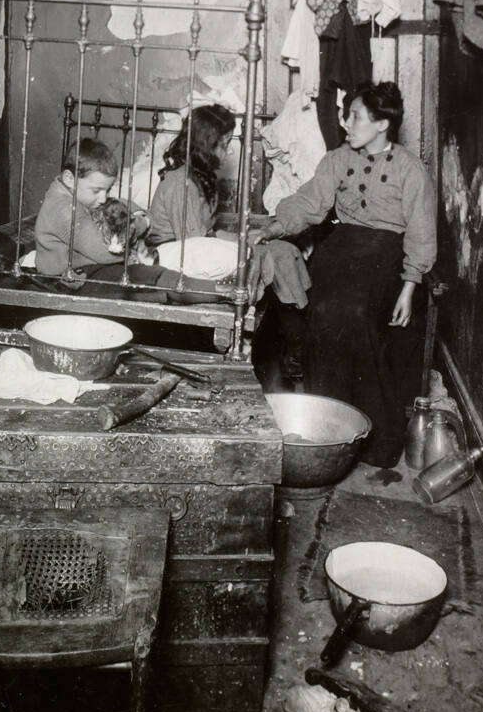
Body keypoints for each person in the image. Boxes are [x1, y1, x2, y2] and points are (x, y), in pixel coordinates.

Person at [255, 81, 436, 470]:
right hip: (341, 248)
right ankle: (325, 431)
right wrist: (274, 227)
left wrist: (409, 287)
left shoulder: (410, 169)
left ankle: (377, 438)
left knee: (353, 316)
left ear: (382, 123)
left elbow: (421, 233)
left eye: (355, 116)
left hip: (387, 255)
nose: (346, 123)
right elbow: (309, 202)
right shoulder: (337, 159)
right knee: (318, 312)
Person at [34, 138, 150, 277]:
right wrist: (140, 224)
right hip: (65, 277)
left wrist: (136, 215)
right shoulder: (64, 210)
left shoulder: (81, 195)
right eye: (96, 191)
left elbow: (121, 205)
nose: (103, 198)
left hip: (89, 266)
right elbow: (106, 253)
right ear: (69, 179)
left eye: (108, 190)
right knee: (147, 277)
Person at [147, 103, 236, 245]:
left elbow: (207, 232)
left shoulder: (200, 177)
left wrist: (241, 239)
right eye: (225, 144)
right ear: (206, 146)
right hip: (169, 252)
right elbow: (193, 244)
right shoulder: (182, 184)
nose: (230, 151)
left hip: (194, 245)